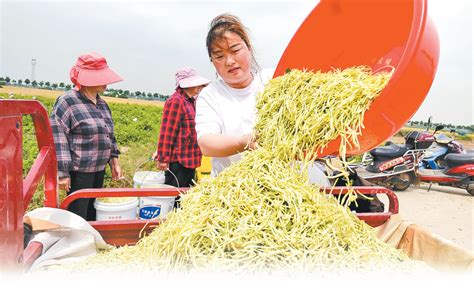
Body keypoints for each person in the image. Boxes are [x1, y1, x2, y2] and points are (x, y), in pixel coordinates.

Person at [195, 13, 273, 176]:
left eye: (235, 50)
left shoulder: (272, 80)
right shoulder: (210, 95)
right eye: (219, 56)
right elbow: (206, 143)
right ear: (212, 61)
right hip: (234, 188)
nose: (229, 61)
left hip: (284, 179)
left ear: (249, 48)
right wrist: (244, 142)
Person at [50, 52, 123, 220]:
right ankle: (76, 243)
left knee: (93, 211)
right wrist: (62, 173)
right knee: (77, 214)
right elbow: (58, 139)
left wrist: (114, 161)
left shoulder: (102, 103)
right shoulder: (67, 102)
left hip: (99, 169)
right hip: (79, 173)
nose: (106, 81)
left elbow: (109, 134)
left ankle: (90, 240)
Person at [155, 67, 210, 187]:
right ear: (187, 85)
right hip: (179, 161)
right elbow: (167, 132)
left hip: (189, 158)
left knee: (186, 196)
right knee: (175, 197)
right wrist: (163, 158)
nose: (199, 88)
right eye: (196, 85)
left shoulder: (189, 101)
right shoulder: (176, 101)